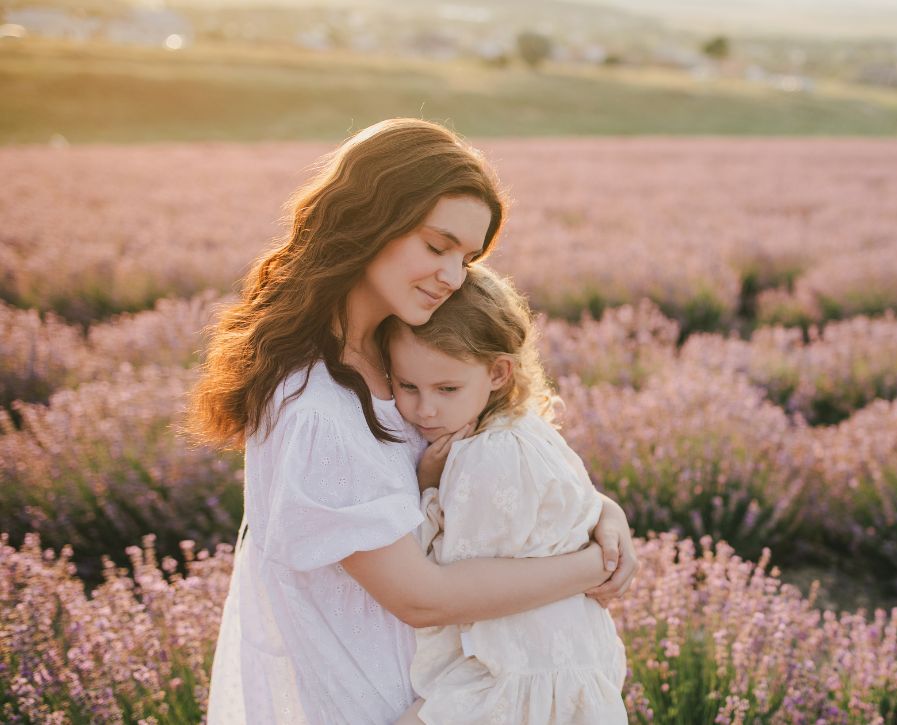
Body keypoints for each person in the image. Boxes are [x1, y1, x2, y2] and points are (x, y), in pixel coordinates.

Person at [190, 118, 637, 724]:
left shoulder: (400, 355)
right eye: (436, 246)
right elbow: (421, 599)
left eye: (468, 257)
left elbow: (489, 461)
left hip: (445, 690)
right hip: (371, 703)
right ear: (368, 222)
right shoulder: (316, 406)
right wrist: (592, 565)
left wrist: (599, 511)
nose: (453, 277)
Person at [382, 265, 627, 725]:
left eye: (447, 388)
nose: (424, 408)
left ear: (498, 372)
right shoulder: (524, 427)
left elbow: (452, 584)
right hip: (562, 661)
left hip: (515, 677)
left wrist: (428, 487)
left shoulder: (489, 456)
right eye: (406, 385)